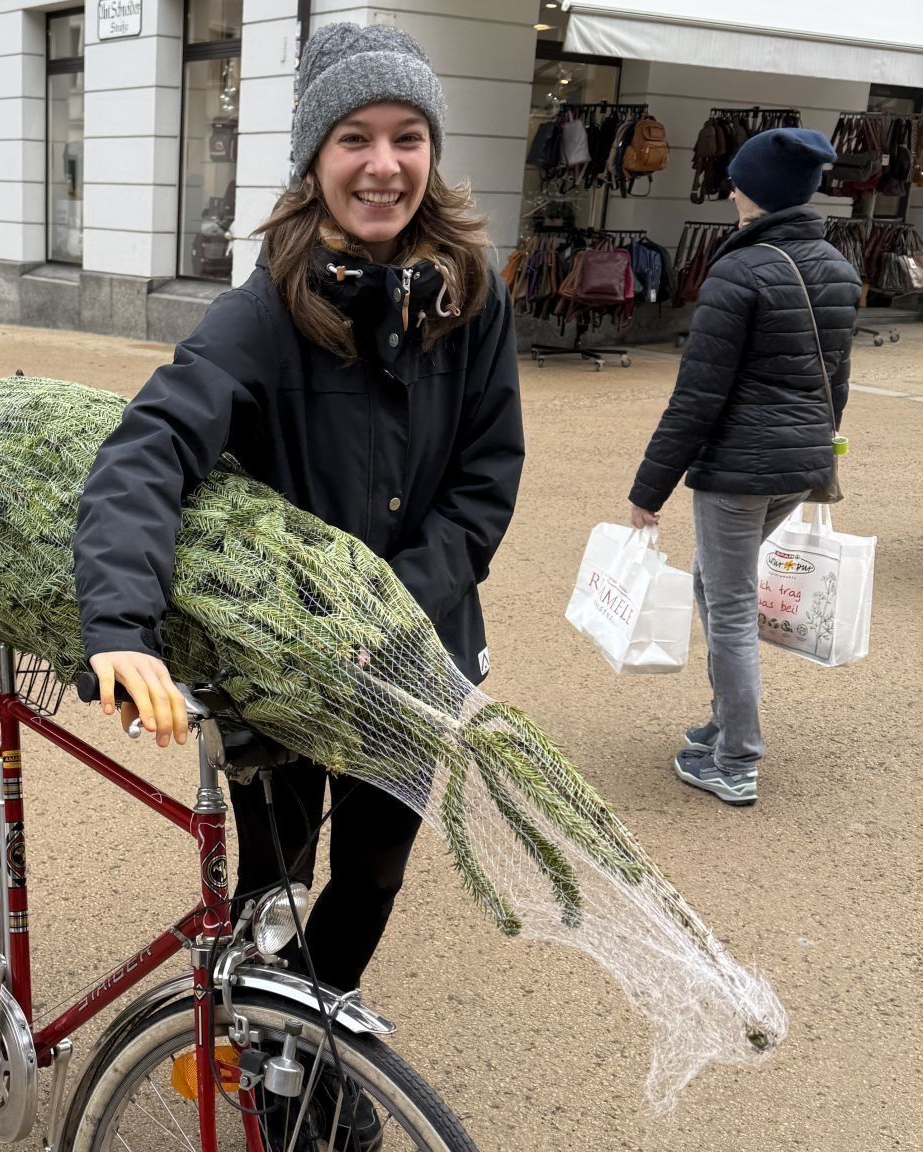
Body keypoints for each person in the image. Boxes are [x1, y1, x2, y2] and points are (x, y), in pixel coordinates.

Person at [74, 23, 523, 996]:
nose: (383, 164)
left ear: (433, 154)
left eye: (407, 135)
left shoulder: (475, 301)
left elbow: (487, 479)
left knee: (372, 870)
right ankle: (276, 1050)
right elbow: (146, 451)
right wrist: (119, 624)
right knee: (277, 880)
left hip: (415, 655)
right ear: (314, 158)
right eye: (353, 136)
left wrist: (396, 605)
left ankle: (318, 1028)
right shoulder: (266, 312)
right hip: (279, 657)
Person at [628, 128, 860, 807]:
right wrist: (817, 447)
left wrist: (649, 488)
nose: (729, 189)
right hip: (801, 464)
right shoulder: (840, 270)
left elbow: (696, 397)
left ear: (757, 190)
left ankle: (735, 759)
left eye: (736, 179)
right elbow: (836, 382)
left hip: (737, 471)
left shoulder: (737, 271)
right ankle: (726, 720)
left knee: (727, 608)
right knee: (713, 582)